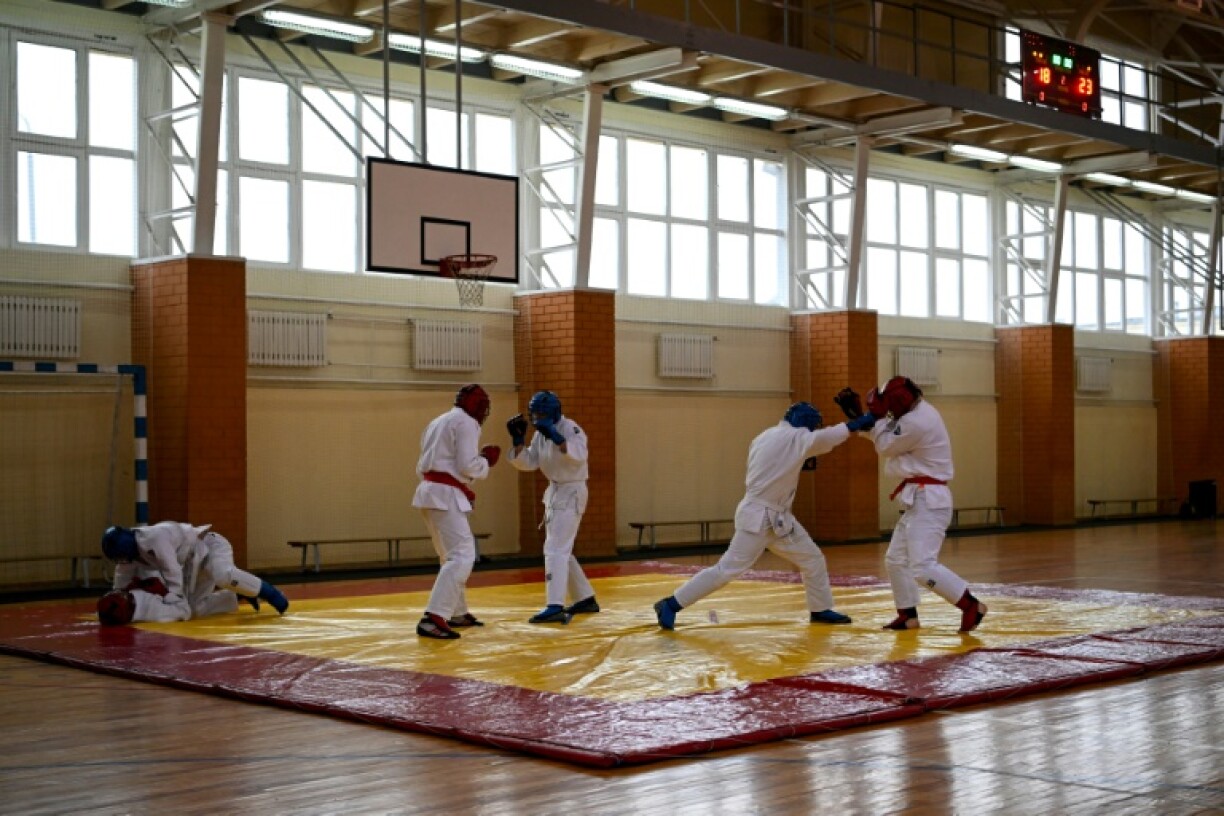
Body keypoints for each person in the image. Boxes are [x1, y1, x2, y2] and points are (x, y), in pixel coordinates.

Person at [653, 401, 877, 630]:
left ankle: (820, 609)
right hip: (759, 518)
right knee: (726, 569)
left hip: (778, 519)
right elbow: (828, 437)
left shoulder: (766, 436)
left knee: (812, 558)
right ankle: (670, 604)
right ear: (806, 425)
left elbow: (783, 461)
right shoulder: (795, 438)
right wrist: (860, 422)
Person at [860, 376, 987, 632]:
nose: (889, 411)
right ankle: (908, 616)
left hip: (930, 500)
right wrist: (869, 420)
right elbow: (888, 440)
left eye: (890, 405)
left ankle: (971, 605)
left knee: (922, 566)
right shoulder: (916, 412)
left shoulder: (917, 421)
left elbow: (885, 446)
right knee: (896, 560)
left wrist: (871, 420)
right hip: (919, 497)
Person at [412, 384, 501, 639]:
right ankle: (433, 616)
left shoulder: (438, 421)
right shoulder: (467, 423)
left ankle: (455, 611)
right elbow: (467, 466)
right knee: (462, 555)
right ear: (477, 406)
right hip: (445, 495)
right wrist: (486, 460)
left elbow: (424, 465)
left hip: (429, 491)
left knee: (449, 556)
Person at [507, 390, 598, 625]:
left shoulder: (571, 428)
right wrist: (518, 442)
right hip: (556, 492)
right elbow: (529, 462)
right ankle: (585, 597)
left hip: (572, 491)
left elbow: (579, 455)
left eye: (541, 413)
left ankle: (555, 605)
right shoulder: (539, 435)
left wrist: (557, 437)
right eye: (534, 414)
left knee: (555, 548)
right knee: (561, 548)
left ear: (554, 412)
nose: (537, 418)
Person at [99, 521, 290, 621]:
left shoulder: (155, 538)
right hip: (192, 564)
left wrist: (173, 597)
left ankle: (270, 592)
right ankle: (236, 596)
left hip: (210, 545)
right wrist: (117, 595)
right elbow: (121, 579)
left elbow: (172, 570)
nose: (122, 562)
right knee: (193, 611)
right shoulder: (129, 555)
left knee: (222, 575)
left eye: (121, 557)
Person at [95, 574, 257, 625]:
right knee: (195, 609)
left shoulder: (128, 596)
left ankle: (244, 590)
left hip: (177, 566)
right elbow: (184, 611)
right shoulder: (156, 613)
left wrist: (136, 583)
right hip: (185, 580)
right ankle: (245, 590)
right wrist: (165, 592)